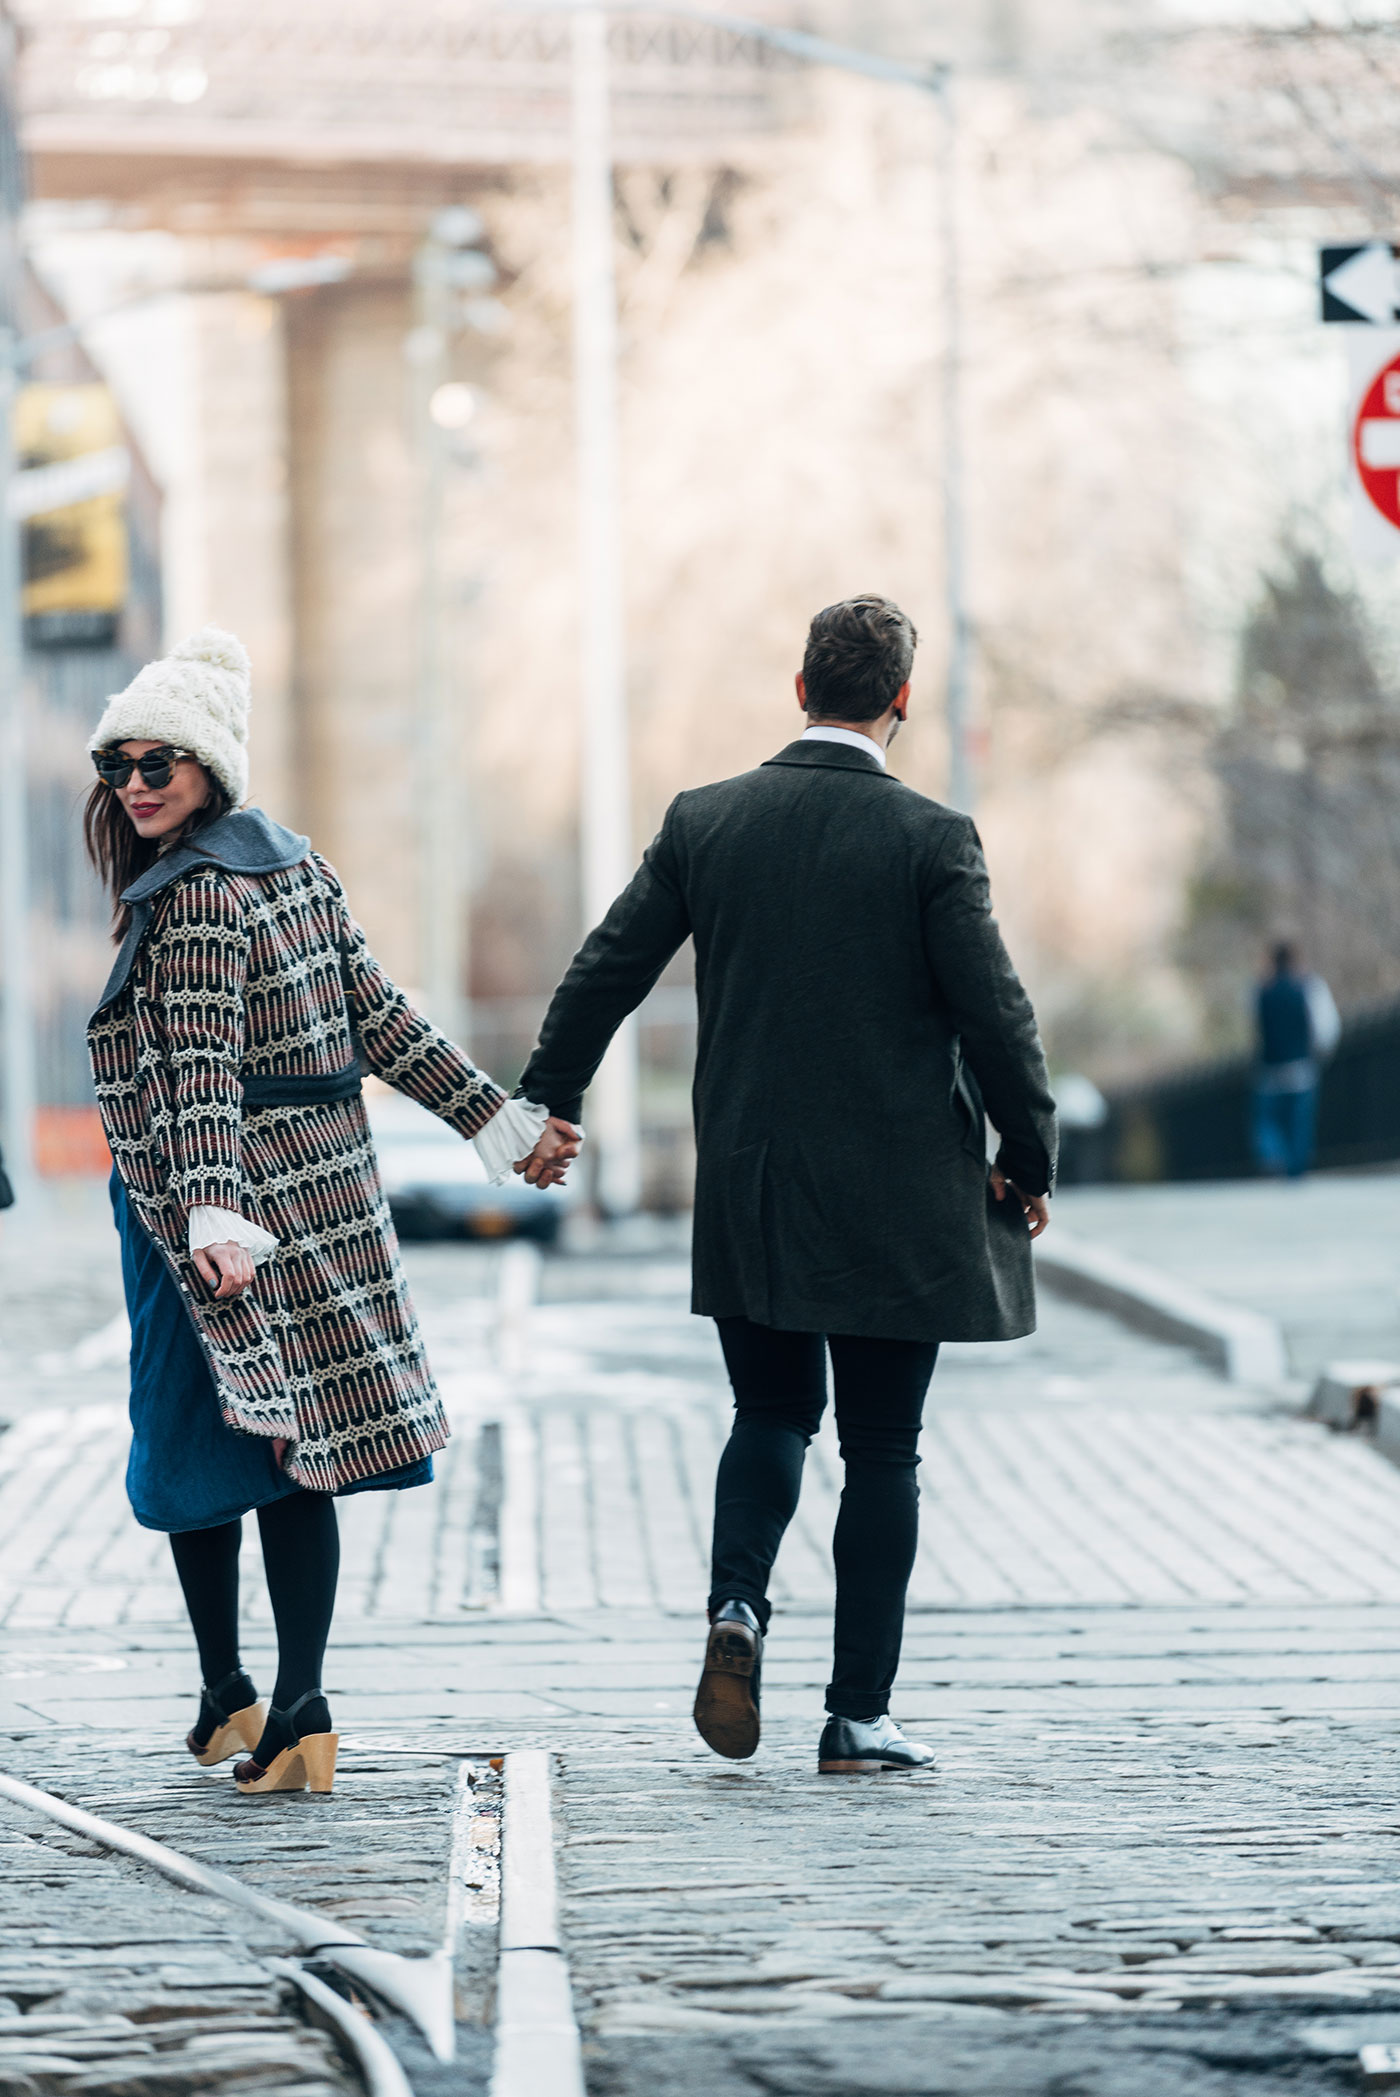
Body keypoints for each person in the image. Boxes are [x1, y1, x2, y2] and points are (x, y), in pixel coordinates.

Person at [512, 595, 1057, 1773]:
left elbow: (603, 972)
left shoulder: (706, 822)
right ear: (898, 702)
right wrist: (1028, 1152)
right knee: (882, 1450)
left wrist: (543, 1104)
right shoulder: (931, 838)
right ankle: (857, 1715)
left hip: (753, 1184)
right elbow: (994, 1013)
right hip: (899, 1196)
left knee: (768, 1415)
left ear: (798, 688)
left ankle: (737, 1608)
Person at [84, 627, 578, 1795]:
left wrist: (208, 1211)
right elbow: (384, 1020)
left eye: (164, 764)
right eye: (121, 765)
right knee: (291, 1444)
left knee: (193, 1447)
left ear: (213, 768)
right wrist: (498, 1125)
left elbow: (199, 1069)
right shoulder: (296, 867)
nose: (140, 786)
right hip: (319, 1201)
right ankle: (274, 1706)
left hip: (210, 1218)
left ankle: (247, 1694)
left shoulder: (199, 893)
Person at [1252, 941, 1340, 1180]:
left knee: (1269, 1122)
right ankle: (1294, 1169)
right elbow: (1326, 1028)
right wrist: (1320, 1054)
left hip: (1271, 1067)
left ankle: (1274, 1158)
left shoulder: (1261, 990)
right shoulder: (1308, 987)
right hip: (1301, 1064)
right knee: (1299, 1123)